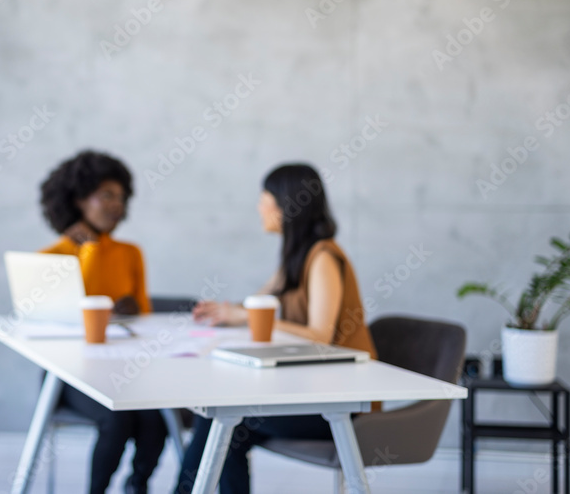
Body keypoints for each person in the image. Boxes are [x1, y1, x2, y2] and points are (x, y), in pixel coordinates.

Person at [173, 163, 376, 494]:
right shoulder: (296, 257)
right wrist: (229, 311)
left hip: (342, 402)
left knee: (219, 419)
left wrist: (244, 316)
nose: (259, 206)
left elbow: (320, 335)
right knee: (223, 427)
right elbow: (258, 302)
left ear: (286, 204)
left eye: (264, 197)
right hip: (314, 389)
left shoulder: (323, 257)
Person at [40, 150, 167, 494]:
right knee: (117, 418)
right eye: (107, 195)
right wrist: (91, 250)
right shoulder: (49, 258)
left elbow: (142, 316)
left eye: (121, 197)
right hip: (69, 373)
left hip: (122, 367)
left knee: (157, 420)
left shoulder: (130, 253)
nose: (117, 205)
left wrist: (130, 312)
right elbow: (62, 319)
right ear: (79, 199)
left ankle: (136, 484)